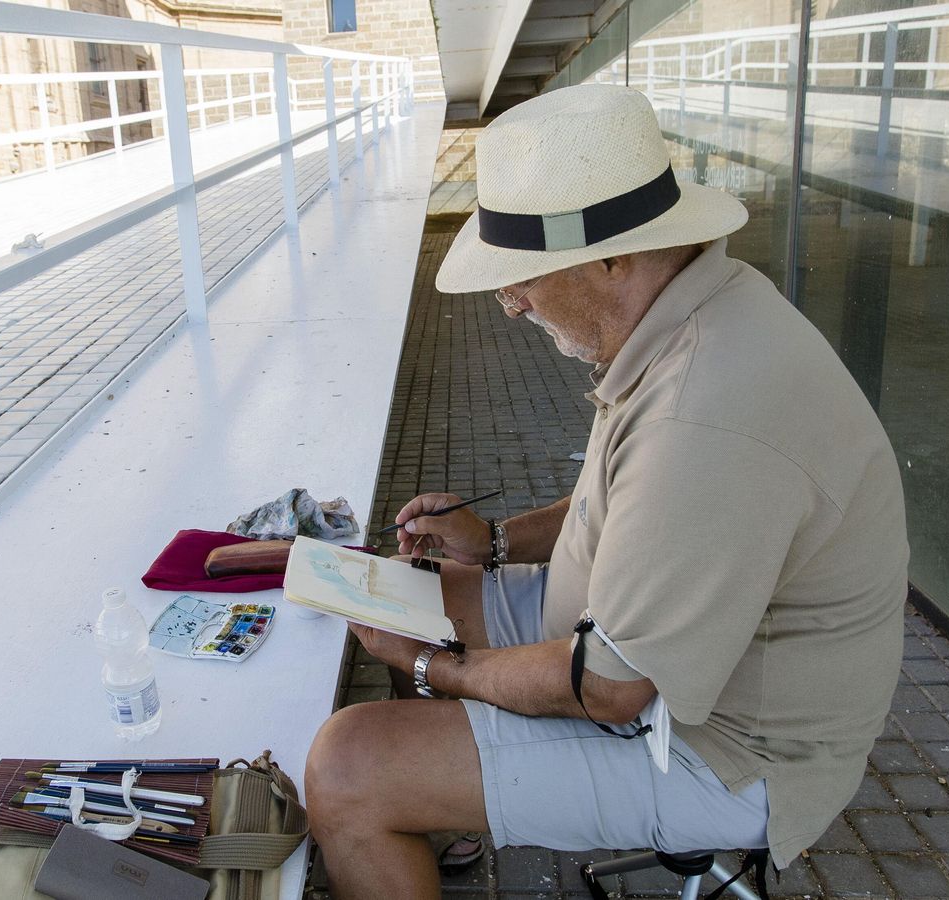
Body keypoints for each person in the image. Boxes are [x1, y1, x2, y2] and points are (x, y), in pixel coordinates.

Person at [302, 84, 909, 898]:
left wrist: (437, 672)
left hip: (723, 748)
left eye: (522, 275)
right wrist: (495, 544)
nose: (508, 302)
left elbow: (611, 690)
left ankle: (400, 800)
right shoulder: (694, 312)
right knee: (399, 596)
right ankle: (432, 810)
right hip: (632, 646)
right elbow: (625, 504)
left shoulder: (706, 413)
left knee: (347, 766)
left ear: (611, 258)